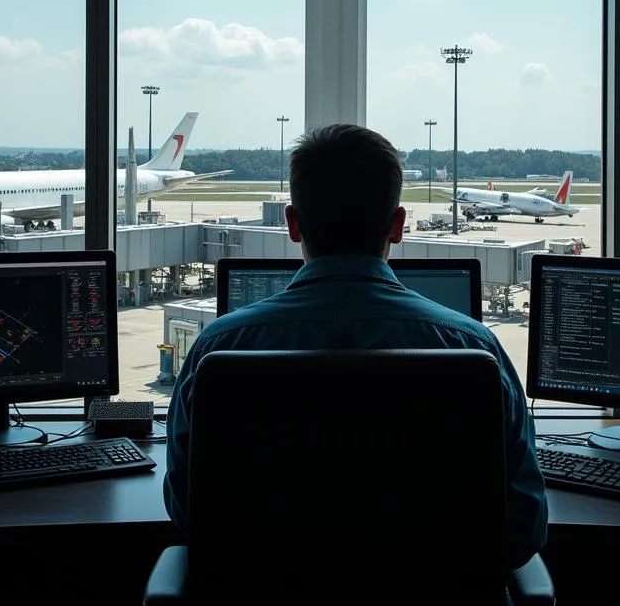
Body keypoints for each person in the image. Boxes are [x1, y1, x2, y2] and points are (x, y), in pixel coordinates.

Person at [163, 123, 547, 566]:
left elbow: (186, 511)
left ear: (291, 224)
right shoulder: (473, 348)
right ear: (399, 226)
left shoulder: (219, 349)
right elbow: (525, 528)